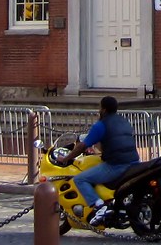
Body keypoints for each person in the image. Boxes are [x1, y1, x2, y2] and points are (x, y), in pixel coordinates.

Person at [61, 95, 140, 226]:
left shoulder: (101, 125)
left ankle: (99, 206)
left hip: (117, 165)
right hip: (134, 163)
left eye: (100, 107)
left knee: (80, 179)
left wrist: (67, 158)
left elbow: (82, 146)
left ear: (103, 109)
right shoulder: (124, 122)